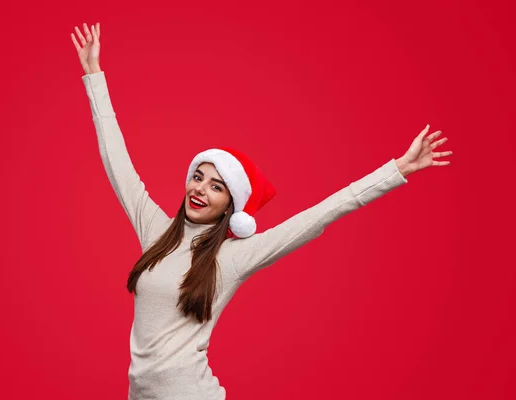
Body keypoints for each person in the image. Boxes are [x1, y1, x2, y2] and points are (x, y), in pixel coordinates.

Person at [70, 22, 453, 400]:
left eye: (216, 186)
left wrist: (395, 171)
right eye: (198, 177)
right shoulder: (154, 228)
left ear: (229, 208)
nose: (201, 189)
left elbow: (318, 216)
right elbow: (117, 161)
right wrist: (94, 77)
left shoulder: (231, 258)